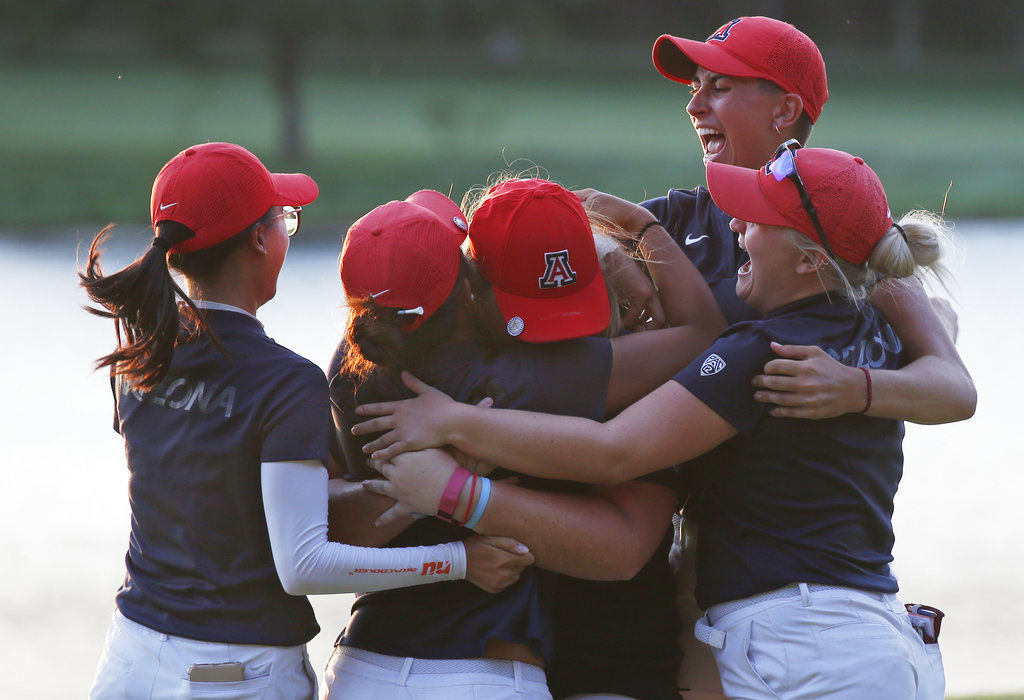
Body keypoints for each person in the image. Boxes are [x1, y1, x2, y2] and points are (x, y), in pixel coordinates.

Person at [352, 146, 955, 699]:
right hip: (867, 629)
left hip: (809, 643)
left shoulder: (760, 352)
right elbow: (951, 363)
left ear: (810, 262)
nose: (734, 229)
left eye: (755, 220)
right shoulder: (881, 331)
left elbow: (614, 452)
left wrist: (456, 431)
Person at [80, 142, 531, 700]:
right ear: (260, 241)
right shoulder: (284, 381)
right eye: (285, 220)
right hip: (232, 676)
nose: (287, 234)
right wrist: (458, 559)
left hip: (129, 658)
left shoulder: (139, 354)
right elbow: (305, 565)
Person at [324, 178, 723, 699]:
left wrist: (417, 491)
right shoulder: (525, 376)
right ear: (469, 286)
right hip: (485, 672)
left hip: (363, 661)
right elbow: (702, 333)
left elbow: (320, 527)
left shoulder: (348, 367)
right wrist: (633, 227)